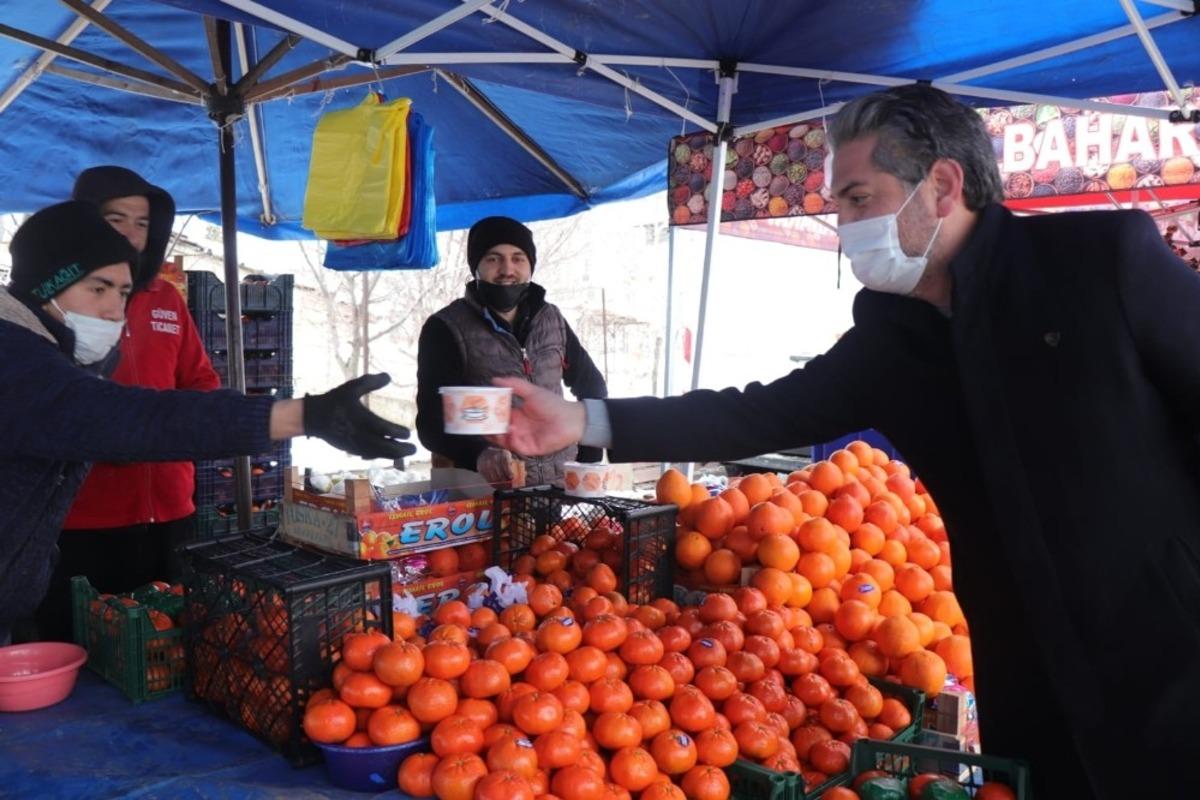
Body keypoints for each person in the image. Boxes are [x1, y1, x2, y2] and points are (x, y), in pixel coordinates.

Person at [489, 85, 1200, 799]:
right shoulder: (893, 338)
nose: (844, 226)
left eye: (859, 199)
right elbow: (760, 414)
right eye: (840, 207)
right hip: (1025, 675)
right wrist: (586, 420)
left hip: (1170, 652)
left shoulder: (1101, 264)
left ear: (943, 186)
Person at [0, 201, 414, 645]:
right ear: (46, 287)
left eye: (122, 294)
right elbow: (126, 418)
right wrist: (302, 415)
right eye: (98, 289)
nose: (113, 312)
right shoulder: (13, 359)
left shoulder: (42, 353)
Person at [27, 168, 218, 642]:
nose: (131, 235)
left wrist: (173, 432)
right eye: (116, 219)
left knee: (165, 650)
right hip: (80, 520)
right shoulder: (48, 300)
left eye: (142, 223)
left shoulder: (166, 299)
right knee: (85, 651)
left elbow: (200, 382)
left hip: (170, 511)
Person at [415, 215, 607, 486]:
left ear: (530, 266)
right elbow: (431, 424)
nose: (507, 269)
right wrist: (479, 453)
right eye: (494, 258)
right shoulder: (445, 328)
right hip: (485, 493)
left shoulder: (551, 319)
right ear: (476, 267)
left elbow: (593, 386)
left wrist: (587, 456)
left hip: (558, 486)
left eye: (518, 258)